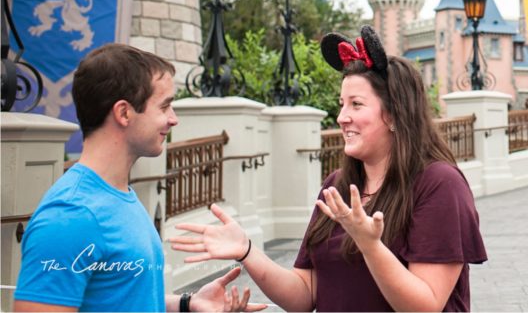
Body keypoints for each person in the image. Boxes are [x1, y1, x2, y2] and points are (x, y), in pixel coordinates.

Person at [170, 26, 487, 312]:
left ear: (393, 115)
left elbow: (425, 306)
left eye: (356, 104)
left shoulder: (439, 184)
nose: (341, 117)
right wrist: (248, 250)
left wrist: (370, 246)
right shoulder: (337, 186)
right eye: (341, 104)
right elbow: (304, 295)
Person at [14, 43, 265, 313]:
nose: (173, 119)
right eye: (165, 106)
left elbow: (121, 298)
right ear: (124, 113)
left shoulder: (118, 195)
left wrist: (187, 304)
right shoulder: (71, 215)